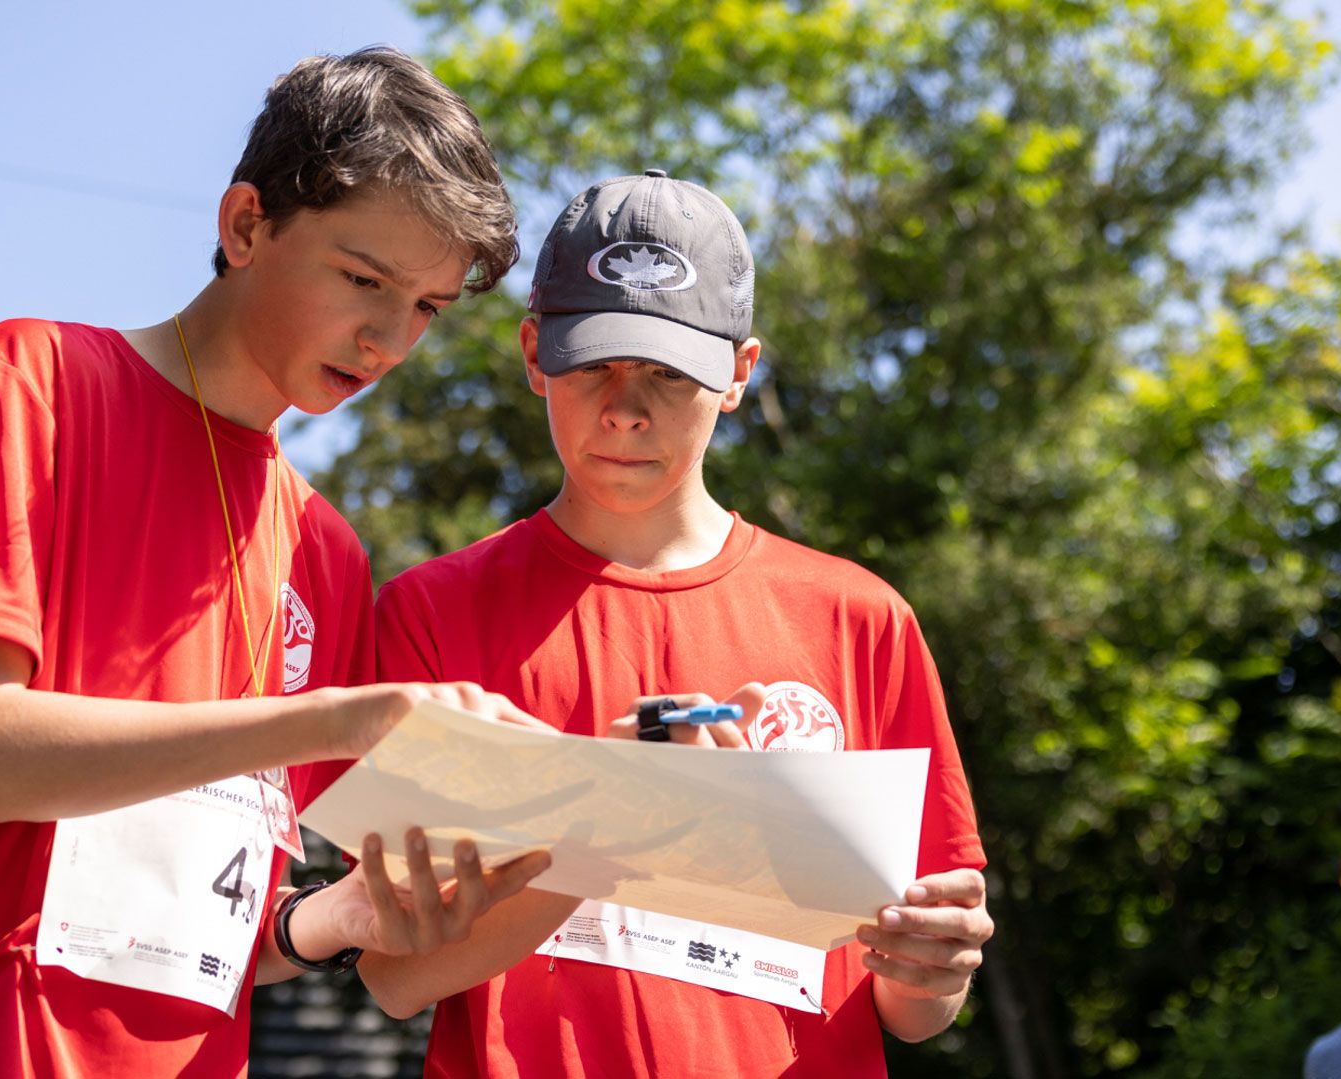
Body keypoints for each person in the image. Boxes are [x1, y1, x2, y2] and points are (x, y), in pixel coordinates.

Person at [0, 47, 554, 1078]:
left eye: (427, 306)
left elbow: (222, 921)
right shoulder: (39, 381)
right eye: (363, 279)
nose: (388, 337)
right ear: (245, 224)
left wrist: (330, 920)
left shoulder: (327, 552)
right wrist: (339, 718)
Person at [356, 171, 995, 1076]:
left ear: (738, 371)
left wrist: (934, 971)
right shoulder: (434, 614)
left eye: (667, 370)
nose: (625, 408)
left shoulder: (860, 619)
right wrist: (608, 820)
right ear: (534, 353)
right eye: (594, 364)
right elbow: (394, 975)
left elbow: (911, 1004)